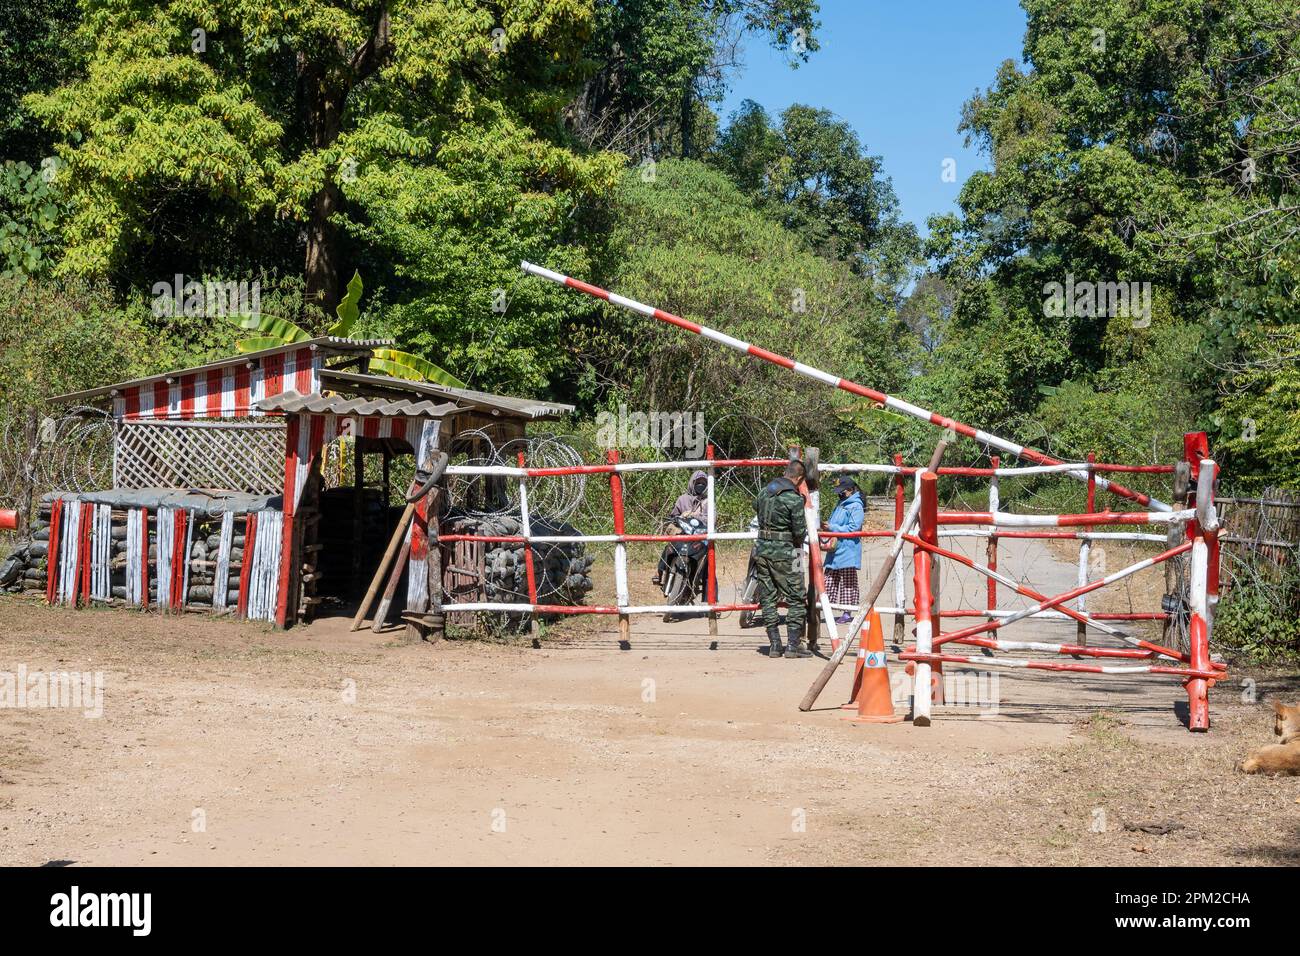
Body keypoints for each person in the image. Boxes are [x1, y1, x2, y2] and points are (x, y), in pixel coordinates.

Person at [754, 460, 810, 659]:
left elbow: (757, 510)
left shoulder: (764, 492)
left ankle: (775, 645)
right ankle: (793, 646)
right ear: (800, 478)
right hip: (785, 552)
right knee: (796, 597)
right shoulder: (793, 499)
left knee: (768, 597)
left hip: (761, 549)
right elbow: (799, 531)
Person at [653, 470, 710, 585]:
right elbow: (674, 515)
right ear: (692, 483)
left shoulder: (708, 502)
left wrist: (697, 517)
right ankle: (660, 571)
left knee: (708, 556)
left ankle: (706, 585)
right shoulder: (682, 499)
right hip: (683, 532)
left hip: (699, 534)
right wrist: (680, 518)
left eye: (703, 483)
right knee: (670, 547)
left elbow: (711, 518)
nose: (701, 485)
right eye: (698, 483)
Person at [821, 476, 865, 625]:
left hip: (848, 549)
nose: (840, 494)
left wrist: (832, 528)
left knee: (848, 581)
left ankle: (847, 612)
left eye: (843, 491)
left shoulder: (856, 506)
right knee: (829, 579)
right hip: (835, 548)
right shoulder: (841, 504)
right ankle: (826, 606)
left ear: (851, 490)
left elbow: (854, 528)